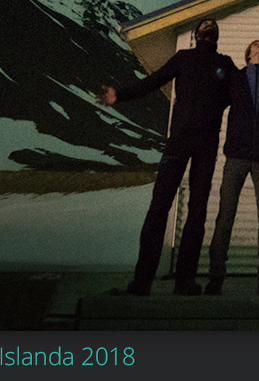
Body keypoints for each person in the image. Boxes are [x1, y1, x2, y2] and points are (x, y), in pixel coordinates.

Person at [97, 17, 235, 295]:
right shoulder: (183, 58)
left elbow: (239, 94)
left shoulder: (226, 64)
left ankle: (185, 281)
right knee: (159, 207)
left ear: (215, 36)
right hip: (179, 143)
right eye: (205, 25)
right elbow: (153, 81)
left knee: (196, 213)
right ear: (197, 35)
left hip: (206, 146)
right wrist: (119, 95)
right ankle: (142, 282)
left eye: (212, 26)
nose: (209, 27)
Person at [205, 40, 259, 296]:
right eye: (254, 43)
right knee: (225, 215)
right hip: (237, 154)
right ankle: (215, 277)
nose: (258, 44)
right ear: (249, 53)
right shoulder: (235, 77)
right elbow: (215, 98)